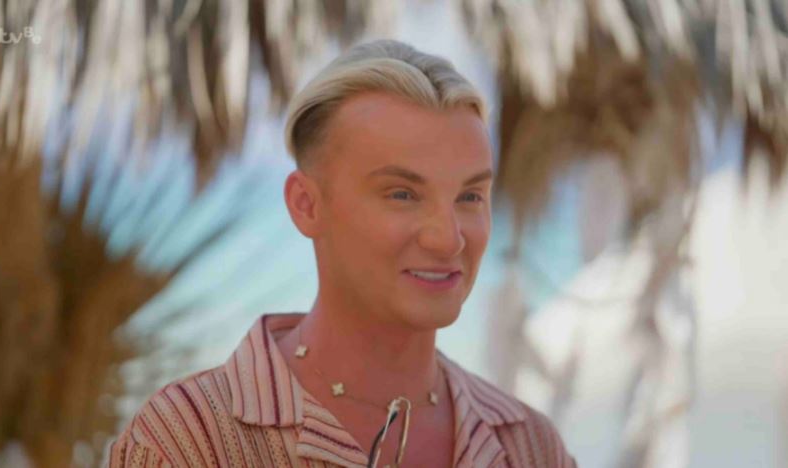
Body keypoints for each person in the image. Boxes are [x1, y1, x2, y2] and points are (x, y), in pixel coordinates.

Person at [107, 39, 576, 468]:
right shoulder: (187, 442)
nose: (448, 238)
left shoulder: (529, 447)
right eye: (402, 194)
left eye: (470, 196)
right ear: (306, 205)